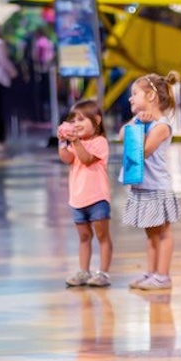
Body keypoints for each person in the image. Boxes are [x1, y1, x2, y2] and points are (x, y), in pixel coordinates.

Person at [120, 71, 181, 291]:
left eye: (135, 93)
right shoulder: (139, 121)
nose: (130, 98)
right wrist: (136, 122)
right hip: (143, 186)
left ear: (151, 97)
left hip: (157, 188)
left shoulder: (161, 127)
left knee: (163, 233)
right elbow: (121, 134)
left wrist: (138, 128)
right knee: (150, 234)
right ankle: (152, 272)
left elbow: (142, 152)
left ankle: (163, 276)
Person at [57, 99, 113, 288]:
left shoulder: (100, 142)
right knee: (84, 237)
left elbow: (87, 159)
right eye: (73, 120)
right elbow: (67, 159)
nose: (76, 124)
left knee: (102, 236)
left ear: (96, 120)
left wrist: (75, 141)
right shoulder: (76, 143)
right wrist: (63, 142)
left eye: (81, 119)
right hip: (78, 199)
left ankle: (103, 273)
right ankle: (84, 271)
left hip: (97, 198)